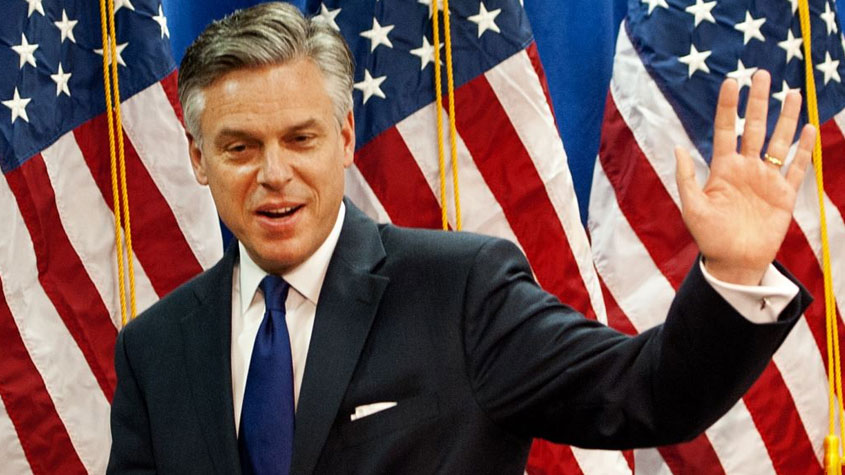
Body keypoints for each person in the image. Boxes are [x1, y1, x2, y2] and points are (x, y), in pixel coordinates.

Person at [107, 3, 817, 474]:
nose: (273, 173)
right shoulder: (155, 347)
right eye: (239, 147)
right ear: (198, 157)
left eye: (300, 139)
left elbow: (648, 393)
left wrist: (732, 270)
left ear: (344, 138)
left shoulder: (458, 291)